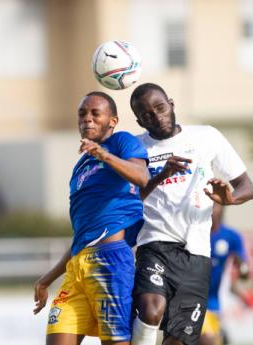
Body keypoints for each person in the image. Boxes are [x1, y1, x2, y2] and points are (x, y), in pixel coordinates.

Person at [129, 83, 253, 345]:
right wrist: (161, 174)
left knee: (179, 339)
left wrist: (230, 199)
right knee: (151, 309)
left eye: (160, 108)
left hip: (197, 252)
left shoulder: (206, 136)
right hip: (155, 244)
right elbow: (129, 200)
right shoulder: (135, 148)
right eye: (147, 114)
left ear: (172, 104)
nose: (156, 116)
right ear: (139, 119)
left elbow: (247, 186)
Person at [33, 91, 150, 345]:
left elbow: (142, 177)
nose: (88, 119)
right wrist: (47, 278)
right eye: (82, 113)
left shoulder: (122, 142)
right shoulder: (81, 167)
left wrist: (103, 154)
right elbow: (83, 235)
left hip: (110, 261)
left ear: (113, 121)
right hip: (77, 267)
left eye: (96, 113)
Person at [199, 203, 251, 345]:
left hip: (214, 301)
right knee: (207, 340)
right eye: (209, 204)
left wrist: (242, 267)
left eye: (216, 205)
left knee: (213, 340)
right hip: (191, 298)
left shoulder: (231, 236)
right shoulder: (194, 234)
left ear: (223, 208)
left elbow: (244, 272)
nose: (212, 208)